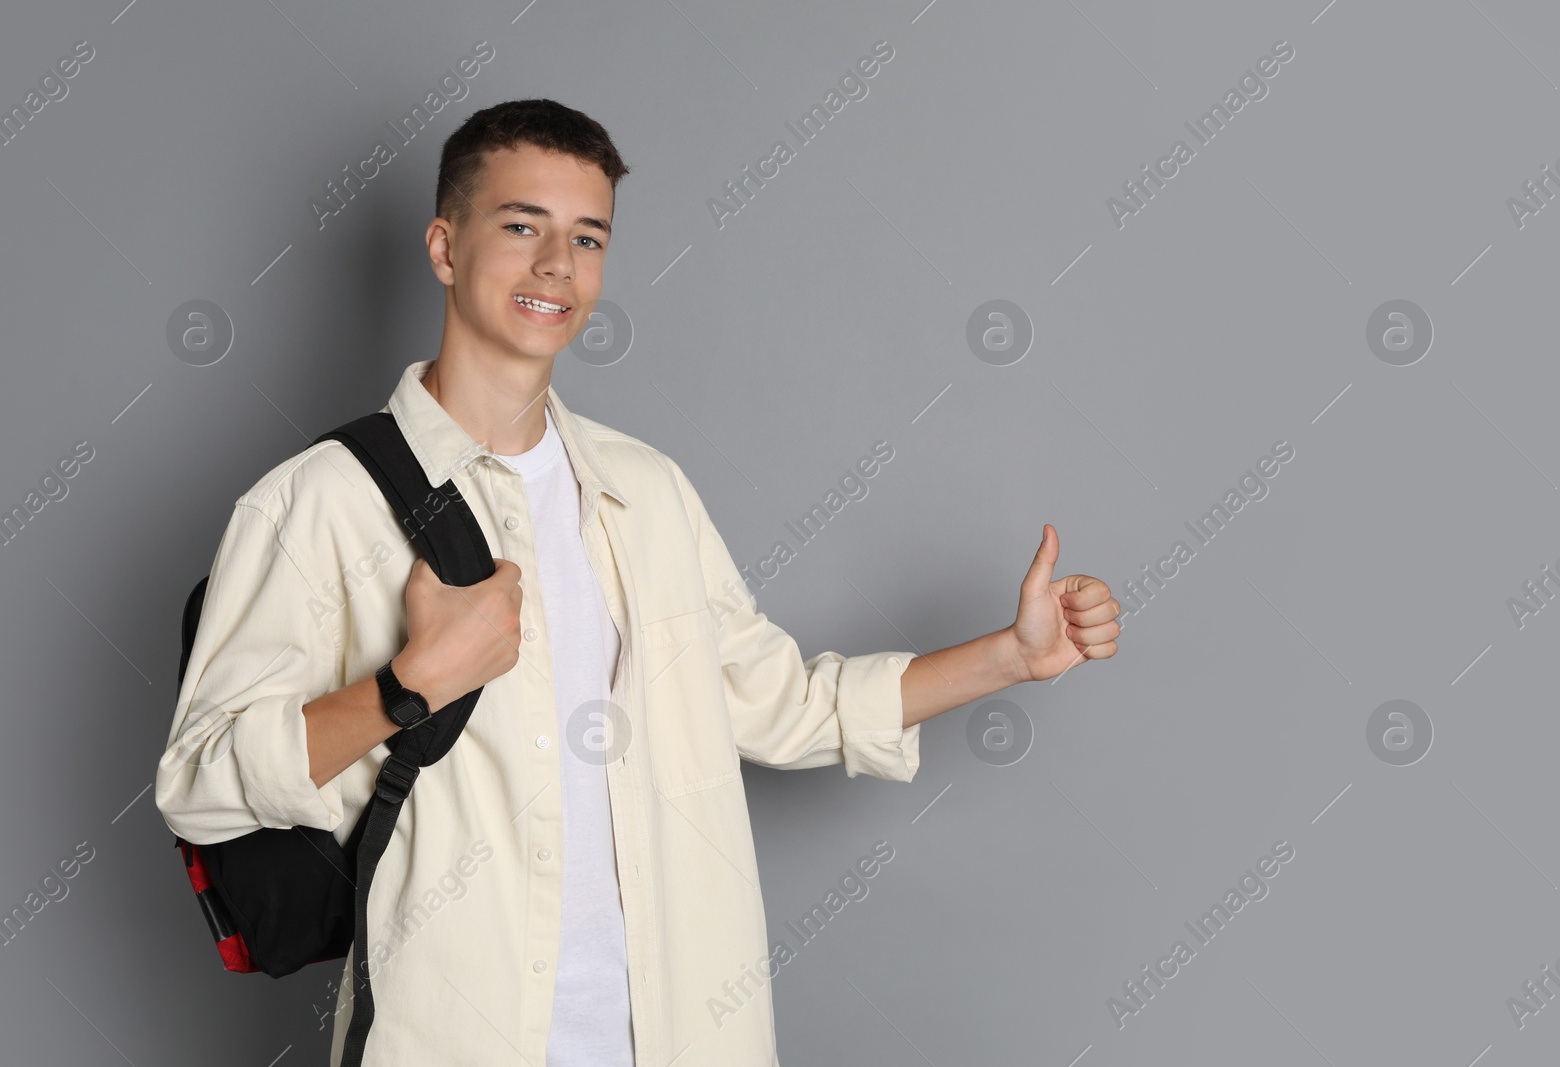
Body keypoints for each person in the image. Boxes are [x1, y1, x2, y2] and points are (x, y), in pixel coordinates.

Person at [155, 98, 1120, 1067]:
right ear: (445, 248)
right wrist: (408, 687)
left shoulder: (645, 494)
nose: (555, 267)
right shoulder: (316, 503)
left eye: (586, 238)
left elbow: (781, 703)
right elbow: (199, 784)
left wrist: (1010, 656)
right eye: (521, 225)